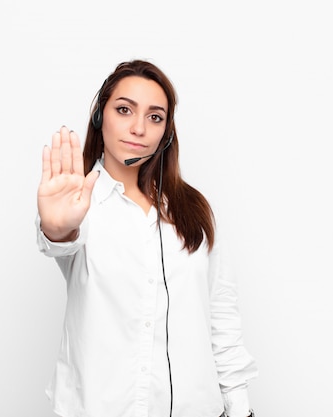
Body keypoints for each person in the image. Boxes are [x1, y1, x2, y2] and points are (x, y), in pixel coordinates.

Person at [35, 59, 258, 417]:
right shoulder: (77, 204)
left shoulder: (193, 211)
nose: (138, 128)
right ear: (99, 116)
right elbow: (59, 238)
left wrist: (240, 405)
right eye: (124, 110)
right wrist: (57, 226)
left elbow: (220, 313)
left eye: (155, 117)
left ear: (166, 133)